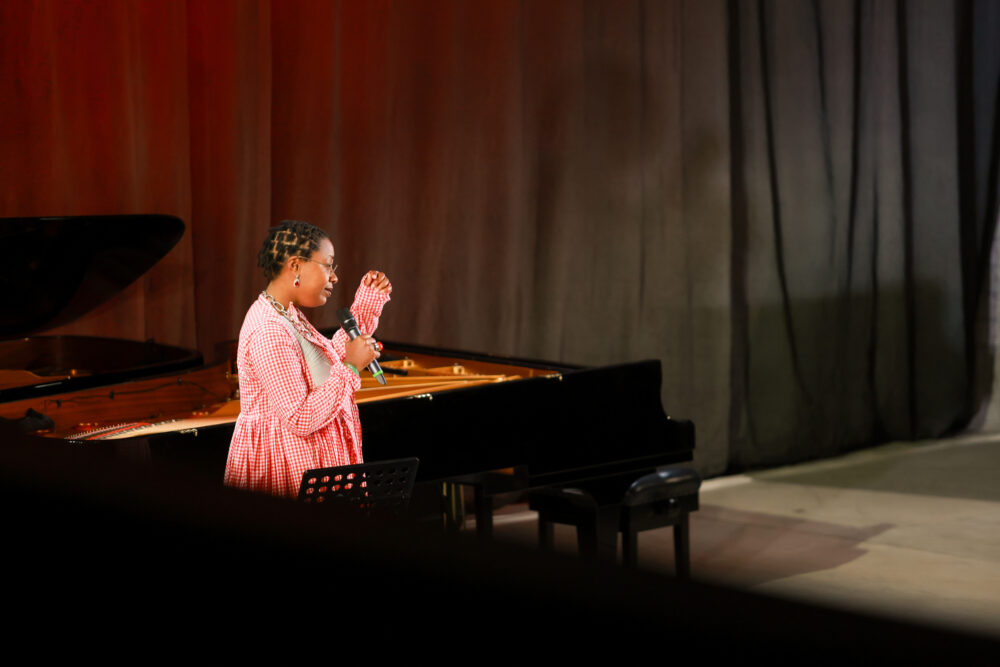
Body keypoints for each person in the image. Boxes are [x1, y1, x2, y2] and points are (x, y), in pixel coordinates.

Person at [224, 220, 391, 498]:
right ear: (296, 266)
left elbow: (325, 364)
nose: (334, 277)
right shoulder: (269, 329)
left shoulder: (286, 313)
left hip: (309, 464)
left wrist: (366, 304)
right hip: (286, 472)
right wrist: (351, 368)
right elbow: (300, 418)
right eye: (328, 265)